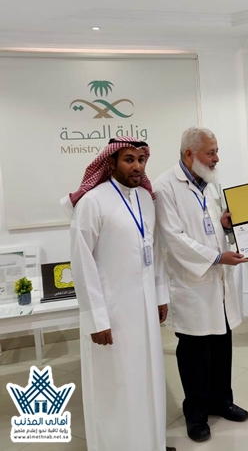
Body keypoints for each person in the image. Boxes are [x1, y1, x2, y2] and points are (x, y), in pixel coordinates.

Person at [61, 137, 175, 451]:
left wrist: (160, 295)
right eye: (128, 159)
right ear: (111, 163)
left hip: (145, 309)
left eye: (141, 159)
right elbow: (82, 264)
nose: (137, 166)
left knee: (147, 378)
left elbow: (155, 250)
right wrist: (96, 319)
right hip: (112, 314)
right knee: (117, 384)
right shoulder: (92, 202)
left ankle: (151, 442)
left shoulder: (147, 199)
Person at [154, 126, 248, 442]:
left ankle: (222, 402)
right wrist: (218, 257)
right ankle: (195, 416)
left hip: (218, 284)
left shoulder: (210, 183)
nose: (216, 158)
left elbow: (212, 225)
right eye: (211, 152)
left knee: (222, 347)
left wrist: (225, 224)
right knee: (195, 355)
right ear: (189, 154)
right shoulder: (165, 187)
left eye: (216, 151)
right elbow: (174, 239)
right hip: (192, 284)